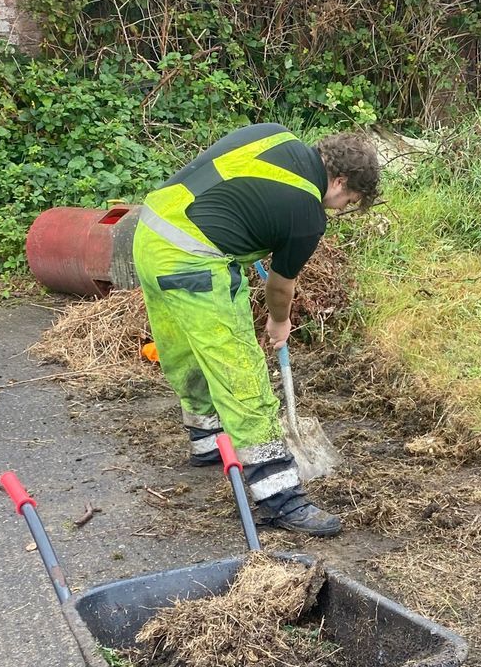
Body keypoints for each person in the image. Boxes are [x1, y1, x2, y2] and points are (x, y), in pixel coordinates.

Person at [132, 123, 380, 536]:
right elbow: (281, 286)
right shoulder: (306, 214)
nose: (338, 210)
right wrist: (278, 320)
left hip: (150, 233)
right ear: (338, 180)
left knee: (185, 350)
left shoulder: (274, 135)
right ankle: (281, 497)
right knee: (241, 373)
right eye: (347, 200)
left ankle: (208, 442)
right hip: (191, 263)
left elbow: (234, 195)